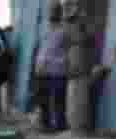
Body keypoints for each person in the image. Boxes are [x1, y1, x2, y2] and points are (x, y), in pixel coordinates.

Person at [34, 3, 68, 132]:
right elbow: (41, 49)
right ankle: (45, 124)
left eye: (54, 11)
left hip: (58, 70)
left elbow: (68, 49)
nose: (51, 14)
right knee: (43, 100)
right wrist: (37, 65)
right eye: (50, 11)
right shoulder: (44, 29)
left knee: (58, 99)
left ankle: (59, 125)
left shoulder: (64, 30)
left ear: (60, 13)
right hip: (43, 70)